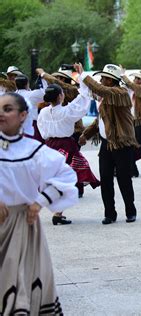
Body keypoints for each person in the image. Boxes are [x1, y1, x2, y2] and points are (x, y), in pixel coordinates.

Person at [0, 92, 78, 314]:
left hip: (22, 224)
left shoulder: (33, 150)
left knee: (20, 277)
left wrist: (40, 202)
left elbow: (66, 177)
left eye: (8, 109)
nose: (2, 114)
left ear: (23, 115)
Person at [37, 63, 100, 225]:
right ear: (60, 97)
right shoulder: (66, 111)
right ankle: (57, 213)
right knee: (66, 180)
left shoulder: (43, 112)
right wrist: (82, 76)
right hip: (66, 146)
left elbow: (43, 132)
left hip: (49, 146)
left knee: (56, 178)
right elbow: (83, 100)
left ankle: (56, 210)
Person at [79, 64, 139, 225]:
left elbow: (101, 90)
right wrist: (86, 134)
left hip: (122, 143)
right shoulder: (106, 98)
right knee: (105, 179)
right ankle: (109, 214)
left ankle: (130, 211)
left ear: (112, 81)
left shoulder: (121, 93)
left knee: (124, 179)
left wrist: (83, 75)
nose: (101, 80)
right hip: (107, 144)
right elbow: (100, 120)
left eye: (104, 78)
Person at [121, 70, 141, 177]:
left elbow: (130, 85)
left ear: (140, 80)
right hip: (135, 121)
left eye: (135, 78)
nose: (134, 80)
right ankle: (134, 170)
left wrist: (122, 75)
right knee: (134, 145)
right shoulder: (137, 90)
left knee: (139, 145)